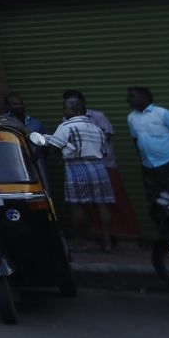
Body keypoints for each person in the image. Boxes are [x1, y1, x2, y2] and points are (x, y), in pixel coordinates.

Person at [53, 92, 115, 252]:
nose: (63, 111)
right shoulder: (96, 128)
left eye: (65, 108)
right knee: (102, 205)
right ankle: (107, 244)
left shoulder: (65, 127)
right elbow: (104, 149)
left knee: (76, 205)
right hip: (98, 168)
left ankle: (80, 242)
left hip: (75, 167)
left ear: (73, 109)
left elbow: (55, 146)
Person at [127, 86, 169, 208]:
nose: (128, 99)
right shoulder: (131, 118)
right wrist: (143, 160)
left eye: (132, 96)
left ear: (144, 97)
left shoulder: (162, 113)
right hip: (149, 169)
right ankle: (167, 226)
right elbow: (136, 140)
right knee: (158, 202)